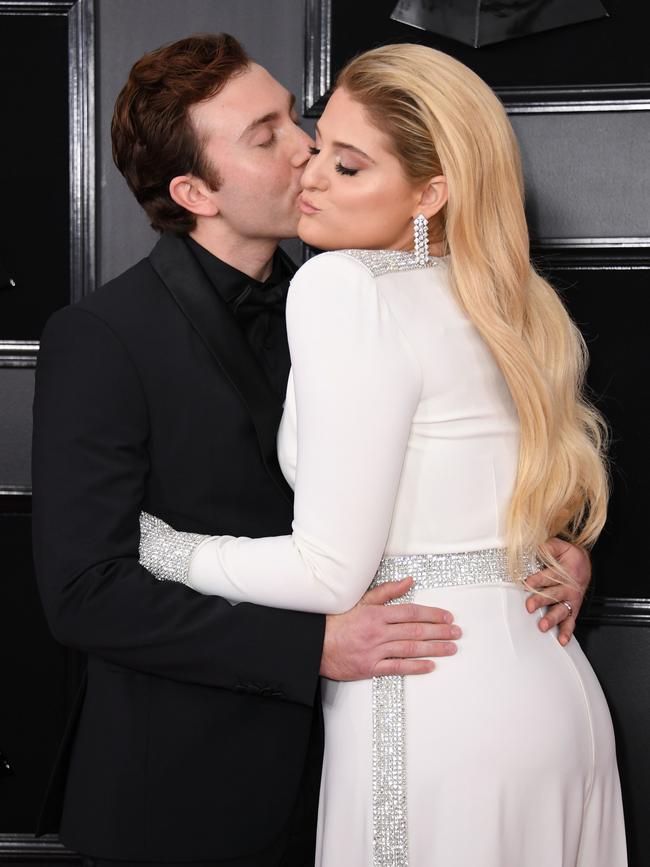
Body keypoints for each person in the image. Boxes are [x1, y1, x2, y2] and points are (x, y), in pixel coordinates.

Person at [31, 33, 591, 867]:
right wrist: (310, 647)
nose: (306, 146)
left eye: (297, 116)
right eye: (267, 136)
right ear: (194, 191)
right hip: (187, 789)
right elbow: (85, 591)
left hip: (367, 756)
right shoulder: (103, 336)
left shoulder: (368, 288)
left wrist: (549, 553)